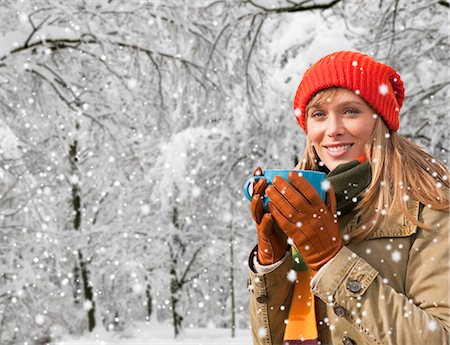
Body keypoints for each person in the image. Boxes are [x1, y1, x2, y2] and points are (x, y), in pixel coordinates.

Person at [247, 51, 449, 345]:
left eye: (351, 111)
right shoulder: (302, 206)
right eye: (319, 114)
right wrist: (272, 267)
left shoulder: (430, 204)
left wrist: (332, 261)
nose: (333, 129)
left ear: (380, 120)